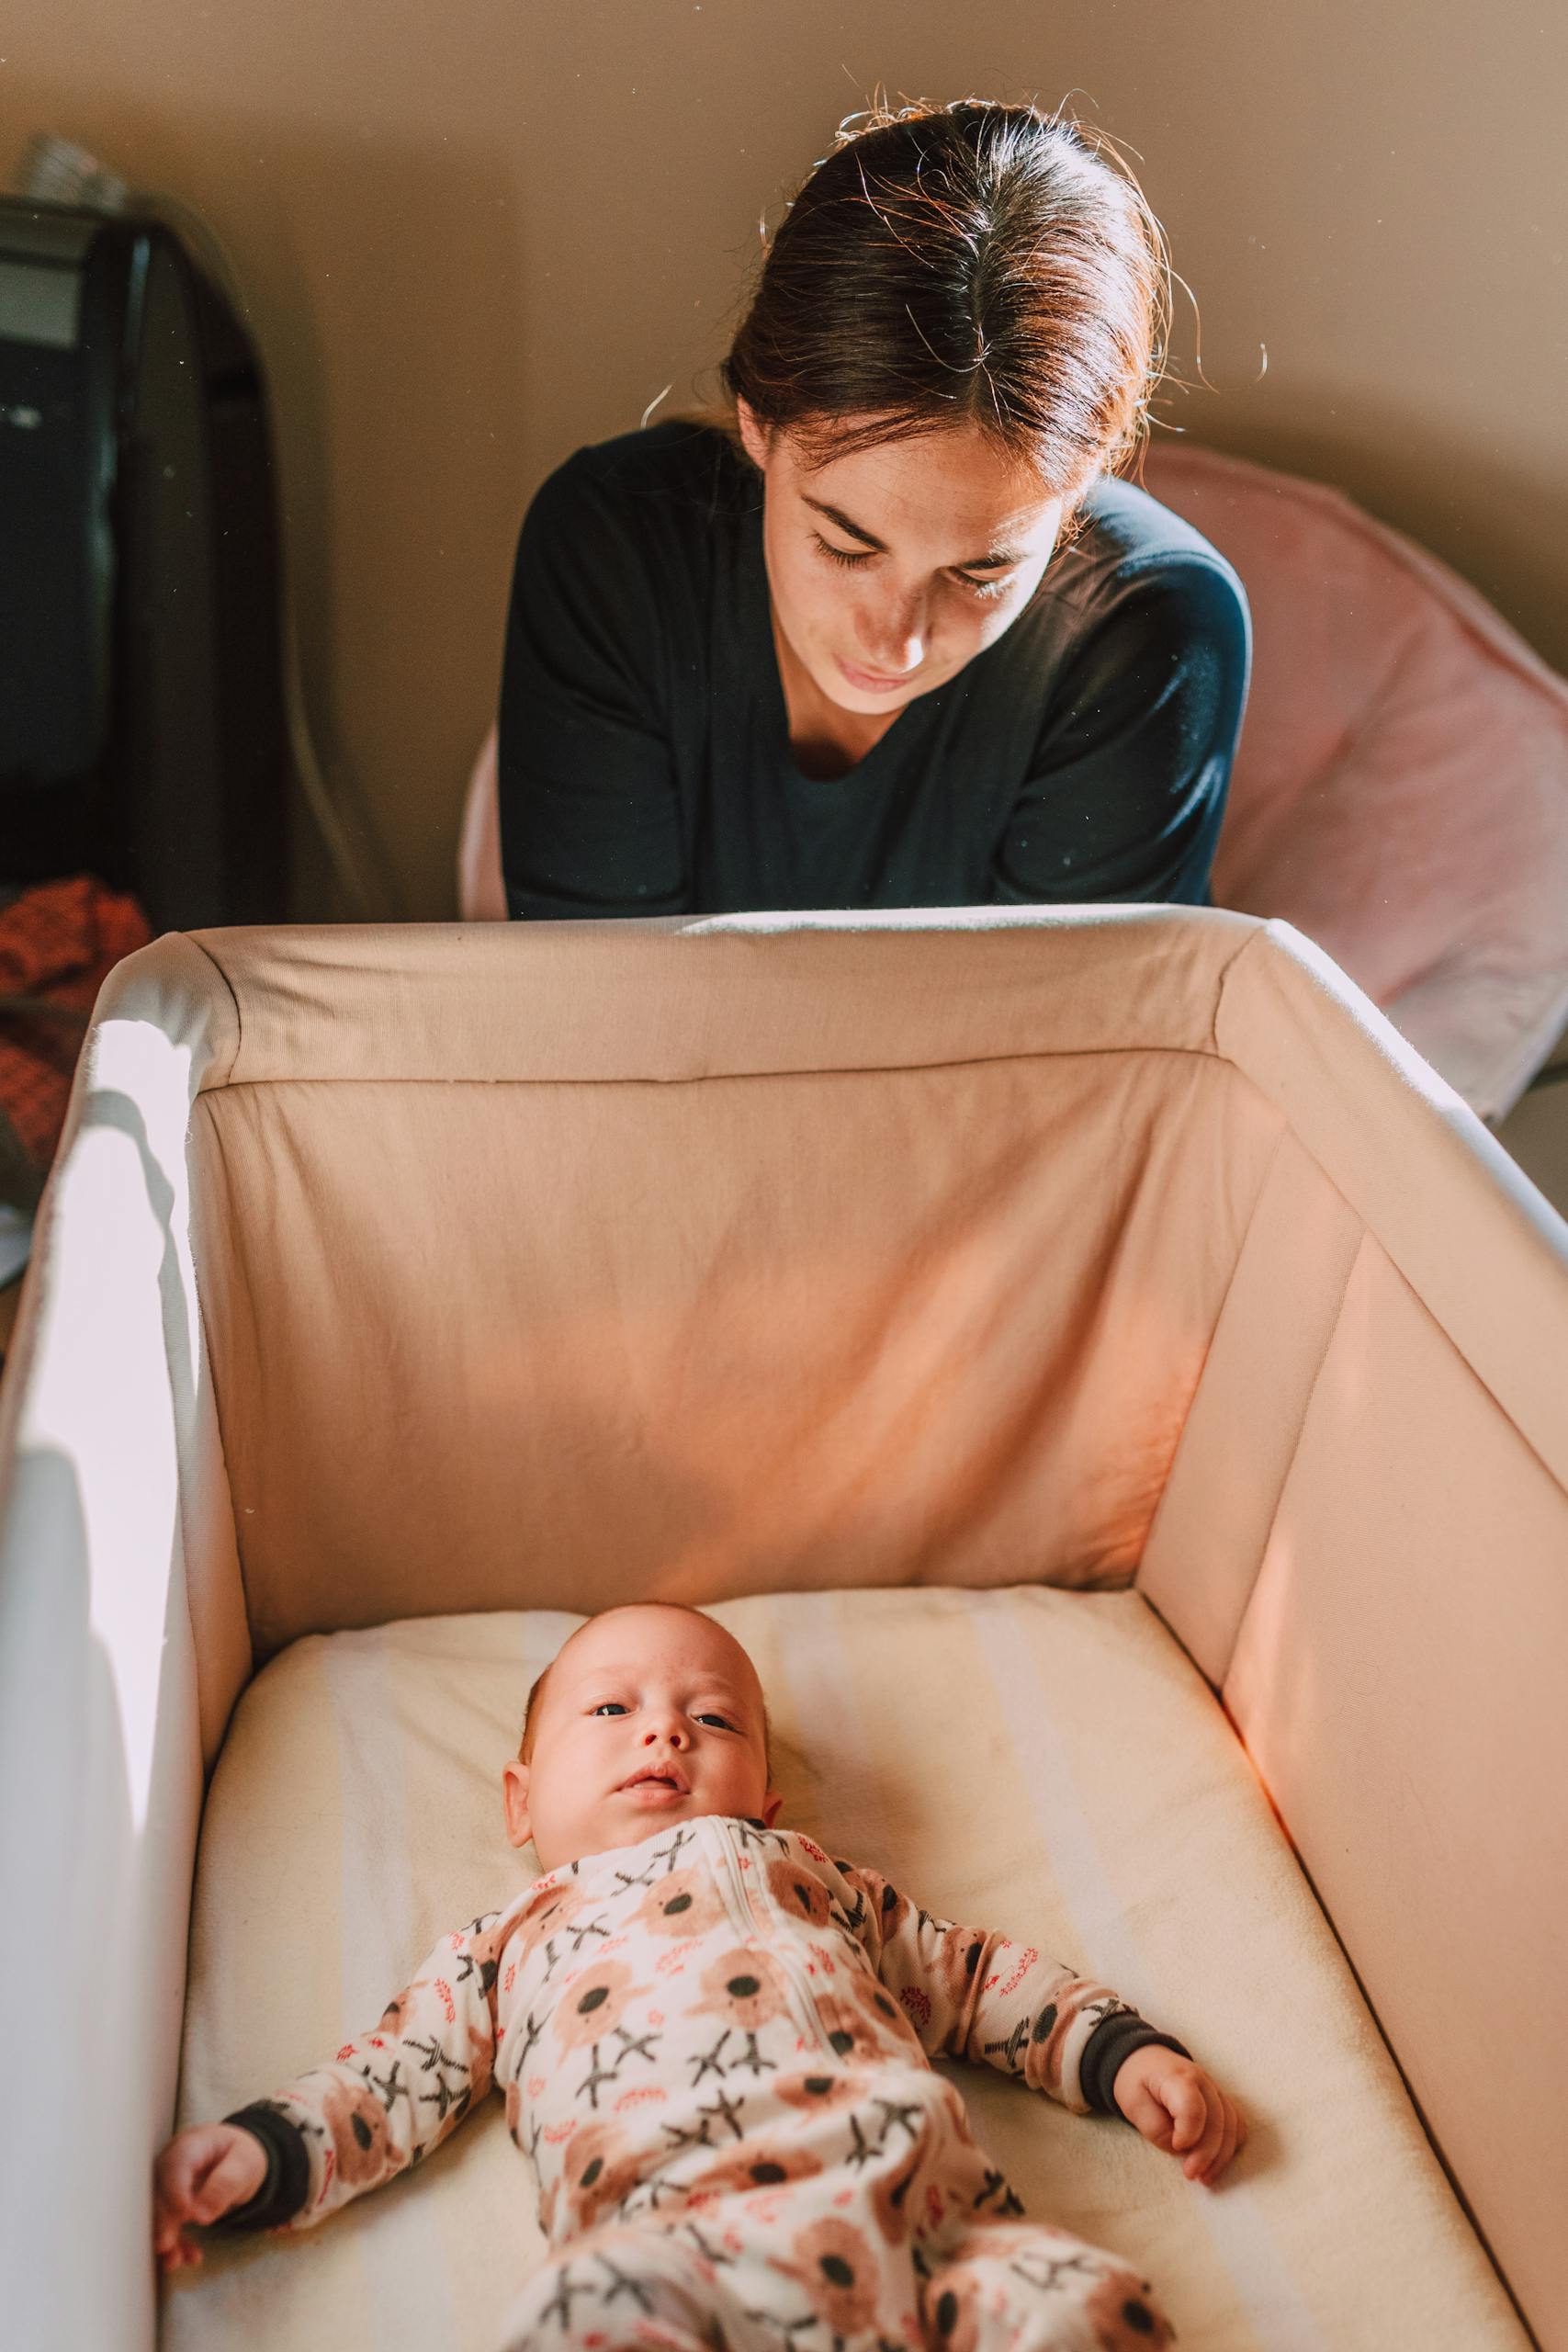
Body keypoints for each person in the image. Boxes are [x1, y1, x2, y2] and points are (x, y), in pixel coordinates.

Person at [153, 1600, 1246, 2350]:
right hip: (675, 2240)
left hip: (931, 2227)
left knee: (1081, 2306)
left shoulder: (818, 1880)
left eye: (713, 1718)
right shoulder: (508, 1941)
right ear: (520, 1802)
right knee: (585, 2308)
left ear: (768, 1804)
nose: (666, 1728)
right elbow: (394, 2076)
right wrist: (267, 2149)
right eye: (611, 1709)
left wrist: (1115, 2050)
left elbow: (975, 1978)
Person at [497, 99, 1250, 922]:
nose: (897, 642)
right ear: (757, 423)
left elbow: (1066, 1036)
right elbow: (594, 1010)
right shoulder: (614, 546)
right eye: (845, 546)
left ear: (1081, 492)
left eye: (980, 569)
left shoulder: (1145, 622)